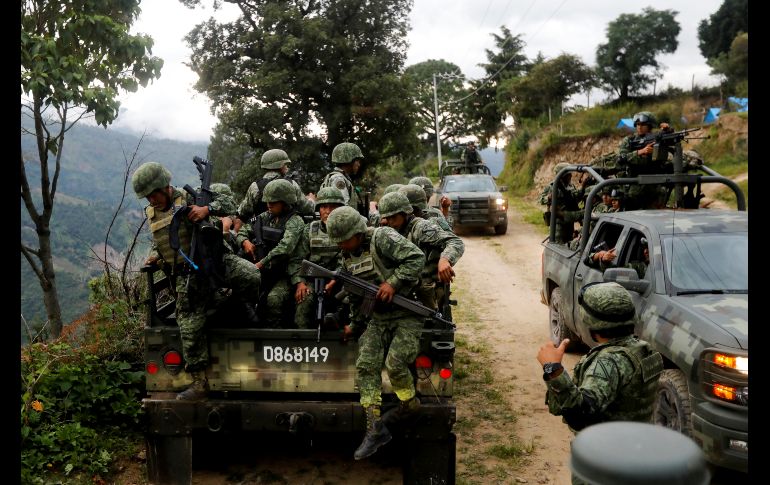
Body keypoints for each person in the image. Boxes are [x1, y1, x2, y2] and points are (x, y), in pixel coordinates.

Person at [132, 162, 262, 400]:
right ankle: (200, 383)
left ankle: (239, 306)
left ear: (165, 187)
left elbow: (231, 206)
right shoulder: (152, 213)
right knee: (189, 327)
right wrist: (156, 256)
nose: (151, 201)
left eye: (153, 195)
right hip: (187, 275)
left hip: (215, 261)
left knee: (251, 276)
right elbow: (161, 239)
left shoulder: (190, 197)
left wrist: (207, 210)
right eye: (147, 197)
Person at [325, 206, 425, 460]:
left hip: (406, 313)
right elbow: (359, 298)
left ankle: (409, 406)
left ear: (358, 233)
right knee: (366, 365)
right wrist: (354, 326)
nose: (341, 246)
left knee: (395, 364)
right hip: (379, 317)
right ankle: (374, 428)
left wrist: (393, 282)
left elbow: (416, 258)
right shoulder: (348, 256)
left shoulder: (382, 238)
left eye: (344, 240)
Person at [537, 281, 663, 434]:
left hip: (606, 452)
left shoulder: (610, 361)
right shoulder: (644, 350)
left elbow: (579, 416)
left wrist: (553, 368)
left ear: (589, 321)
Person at [237, 179, 306, 326]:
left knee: (273, 300)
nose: (269, 205)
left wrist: (261, 264)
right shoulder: (264, 217)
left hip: (284, 273)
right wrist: (245, 242)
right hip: (262, 271)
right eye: (267, 201)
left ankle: (273, 333)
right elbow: (243, 230)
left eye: (273, 202)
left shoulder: (295, 221)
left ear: (285, 202)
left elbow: (284, 248)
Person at [379, 191, 464, 310]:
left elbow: (455, 242)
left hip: (421, 293)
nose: (390, 222)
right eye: (387, 218)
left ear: (405, 213)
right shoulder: (389, 230)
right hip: (399, 288)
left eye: (393, 217)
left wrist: (445, 259)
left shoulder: (421, 227)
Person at [288, 186, 345, 329]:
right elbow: (296, 259)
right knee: (304, 301)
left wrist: (335, 279)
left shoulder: (349, 228)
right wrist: (300, 283)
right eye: (324, 206)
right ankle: (303, 344)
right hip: (313, 280)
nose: (328, 211)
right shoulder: (310, 229)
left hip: (342, 279)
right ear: (319, 209)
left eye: (333, 207)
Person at [237, 148, 315, 224]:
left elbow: (242, 212)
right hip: (289, 231)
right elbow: (307, 209)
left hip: (261, 234)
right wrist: (311, 200)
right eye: (285, 164)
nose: (287, 168)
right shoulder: (292, 184)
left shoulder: (255, 186)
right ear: (281, 166)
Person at [617, 112, 672, 209]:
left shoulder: (656, 137)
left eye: (643, 125)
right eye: (638, 125)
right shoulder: (630, 140)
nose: (639, 127)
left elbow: (671, 142)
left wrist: (668, 131)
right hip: (635, 187)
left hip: (655, 187)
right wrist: (640, 152)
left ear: (650, 126)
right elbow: (621, 158)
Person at [539, 162, 584, 244]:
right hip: (558, 222)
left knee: (568, 243)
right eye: (568, 174)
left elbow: (575, 199)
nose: (570, 176)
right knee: (558, 244)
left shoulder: (571, 186)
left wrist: (583, 188)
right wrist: (548, 198)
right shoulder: (552, 186)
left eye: (570, 174)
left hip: (569, 220)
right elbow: (541, 199)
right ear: (562, 176)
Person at [320, 142, 367, 216]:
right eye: (357, 161)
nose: (359, 164)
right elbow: (344, 209)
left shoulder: (341, 178)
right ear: (349, 160)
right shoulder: (338, 179)